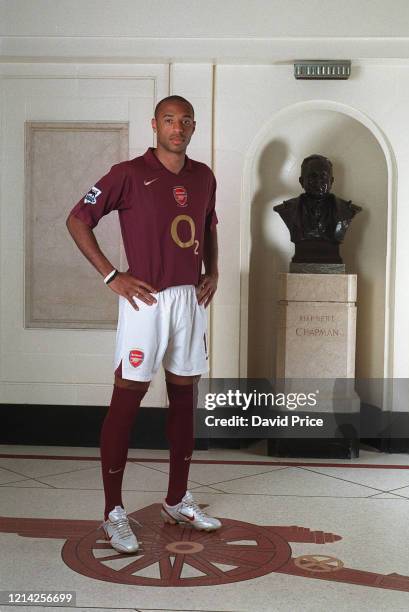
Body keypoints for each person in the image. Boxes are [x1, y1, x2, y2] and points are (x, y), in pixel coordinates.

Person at [66, 95, 221, 554]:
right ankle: (113, 512)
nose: (178, 127)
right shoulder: (128, 173)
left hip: (187, 299)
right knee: (127, 400)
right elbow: (78, 219)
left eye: (186, 120)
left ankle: (177, 500)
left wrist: (212, 270)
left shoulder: (204, 175)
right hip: (146, 301)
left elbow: (208, 224)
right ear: (154, 124)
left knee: (184, 396)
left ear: (193, 126)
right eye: (170, 120)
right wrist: (112, 275)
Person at [273, 154, 362, 264]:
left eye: (323, 176)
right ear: (301, 181)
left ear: (331, 181)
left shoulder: (347, 210)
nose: (318, 182)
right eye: (312, 176)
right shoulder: (287, 209)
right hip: (301, 259)